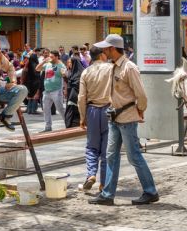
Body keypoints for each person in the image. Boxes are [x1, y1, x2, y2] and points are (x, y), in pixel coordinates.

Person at [89, 34, 158, 206]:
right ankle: (107, 194)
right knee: (111, 155)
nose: (103, 51)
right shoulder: (113, 66)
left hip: (127, 118)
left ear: (113, 49)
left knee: (134, 156)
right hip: (114, 117)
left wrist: (140, 110)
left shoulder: (129, 68)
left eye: (106, 48)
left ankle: (150, 191)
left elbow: (141, 95)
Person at [78, 46, 112, 192]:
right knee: (106, 150)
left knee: (92, 147)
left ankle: (91, 174)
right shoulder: (111, 68)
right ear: (103, 55)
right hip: (108, 110)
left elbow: (81, 97)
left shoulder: (86, 72)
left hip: (92, 110)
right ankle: (103, 183)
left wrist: (82, 116)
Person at [37, 50, 66, 132]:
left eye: (52, 57)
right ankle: (48, 127)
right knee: (46, 109)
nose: (50, 58)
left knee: (60, 108)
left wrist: (65, 89)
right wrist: (43, 62)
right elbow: (37, 69)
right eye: (50, 56)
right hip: (47, 91)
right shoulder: (47, 64)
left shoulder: (61, 65)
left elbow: (65, 76)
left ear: (57, 57)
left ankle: (68, 123)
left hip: (56, 91)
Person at [65, 56, 84, 128]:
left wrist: (72, 98)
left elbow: (77, 85)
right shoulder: (72, 72)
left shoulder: (80, 73)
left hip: (75, 99)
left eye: (71, 62)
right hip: (71, 97)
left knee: (73, 116)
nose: (69, 64)